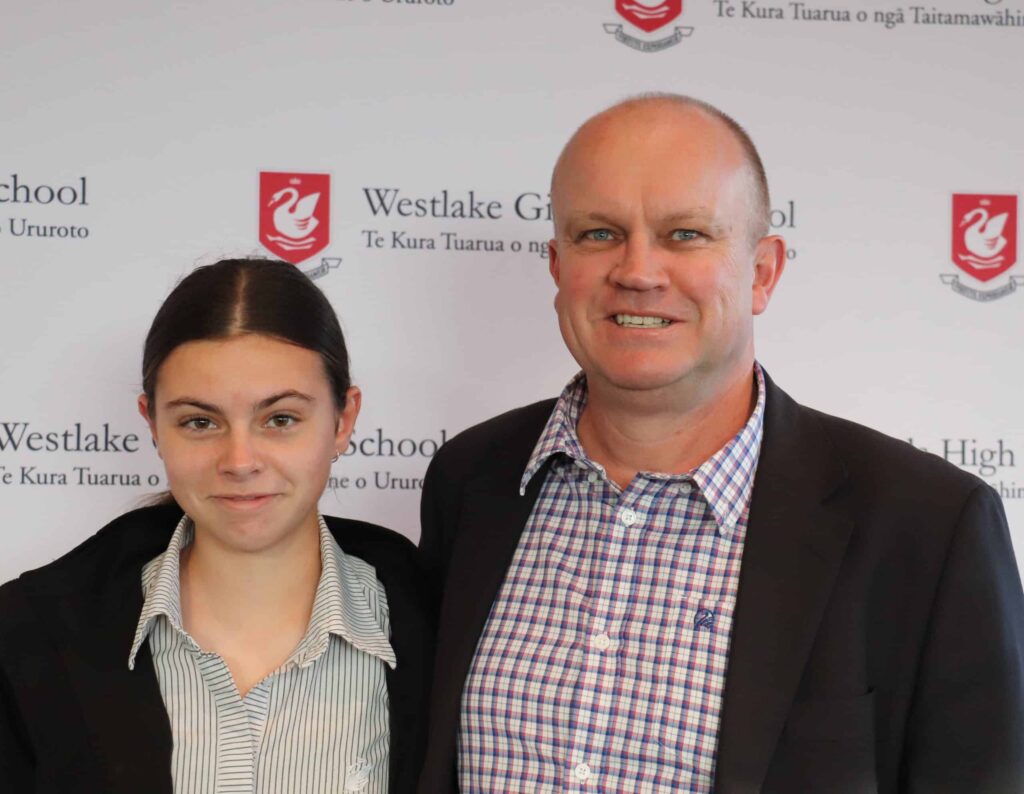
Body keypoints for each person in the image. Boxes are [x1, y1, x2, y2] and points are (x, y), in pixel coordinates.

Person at [417, 95, 1024, 793]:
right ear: (557, 266)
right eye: (599, 234)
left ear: (763, 271)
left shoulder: (929, 524)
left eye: (685, 235)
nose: (638, 271)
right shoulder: (471, 480)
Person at [0, 258, 432, 793]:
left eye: (280, 419)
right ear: (153, 424)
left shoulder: (443, 634)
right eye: (200, 422)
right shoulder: (28, 640)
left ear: (343, 420)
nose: (240, 461)